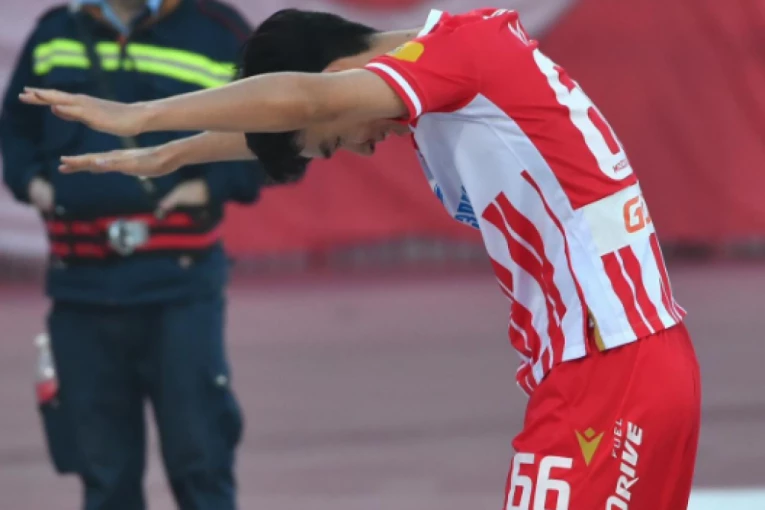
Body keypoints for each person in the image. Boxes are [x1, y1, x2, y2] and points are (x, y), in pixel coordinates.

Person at [19, 7, 702, 510]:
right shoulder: (457, 75)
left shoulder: (459, 51)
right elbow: (304, 115)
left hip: (609, 366)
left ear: (332, 75)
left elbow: (306, 101)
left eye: (334, 139)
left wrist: (140, 116)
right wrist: (174, 153)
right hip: (622, 361)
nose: (360, 147)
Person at [1, 1, 263, 509]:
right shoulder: (55, 33)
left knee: (200, 460)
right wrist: (32, 183)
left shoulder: (217, 31)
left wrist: (209, 187)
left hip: (180, 288)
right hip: (80, 290)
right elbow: (15, 126)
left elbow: (275, 132)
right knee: (104, 475)